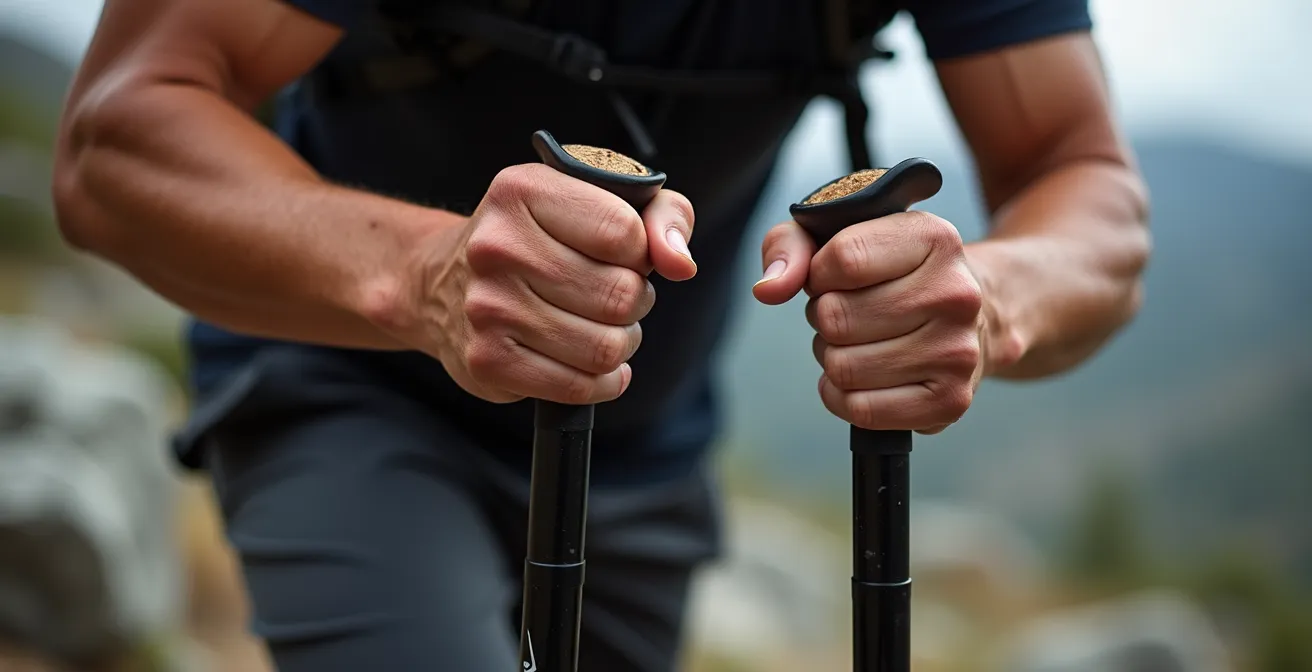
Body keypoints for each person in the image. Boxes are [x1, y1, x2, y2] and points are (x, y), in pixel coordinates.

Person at [51, 0, 1150, 670]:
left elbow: (1087, 186)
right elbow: (114, 140)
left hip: (644, 450)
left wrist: (981, 298)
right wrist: (427, 277)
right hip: (352, 384)